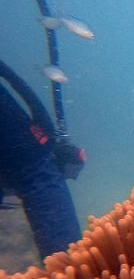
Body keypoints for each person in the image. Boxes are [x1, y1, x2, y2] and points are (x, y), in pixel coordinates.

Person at [0, 59, 82, 259]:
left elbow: (15, 82)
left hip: (31, 161)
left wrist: (49, 138)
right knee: (68, 260)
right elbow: (17, 83)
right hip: (33, 162)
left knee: (67, 262)